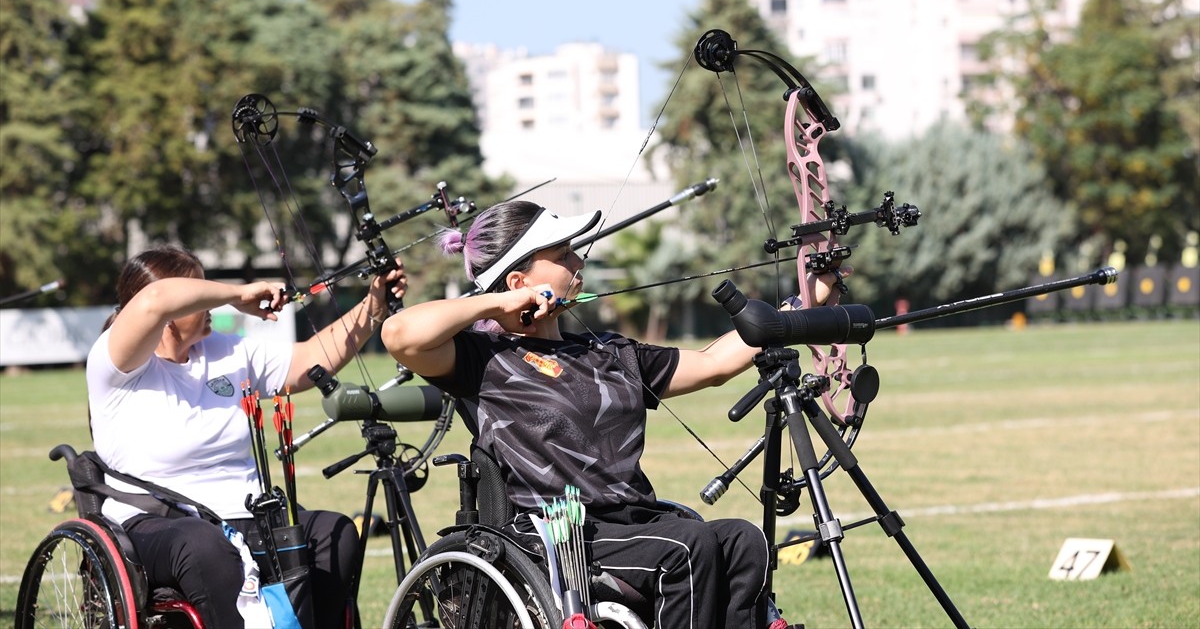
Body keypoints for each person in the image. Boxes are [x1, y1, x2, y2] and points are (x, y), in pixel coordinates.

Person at [381, 201, 844, 629]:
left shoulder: (608, 351)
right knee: (688, 546)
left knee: (745, 542)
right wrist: (497, 304)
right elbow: (400, 334)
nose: (578, 262)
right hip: (557, 539)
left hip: (634, 526)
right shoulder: (482, 359)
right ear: (518, 281)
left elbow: (714, 363)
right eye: (562, 255)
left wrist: (806, 301)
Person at [86, 245, 406, 628]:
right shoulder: (115, 362)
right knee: (204, 545)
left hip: (248, 514)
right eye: (198, 292)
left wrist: (374, 304)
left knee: (333, 531)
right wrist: (239, 294)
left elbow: (307, 361)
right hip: (156, 524)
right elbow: (155, 298)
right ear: (169, 316)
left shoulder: (225, 349)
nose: (210, 303)